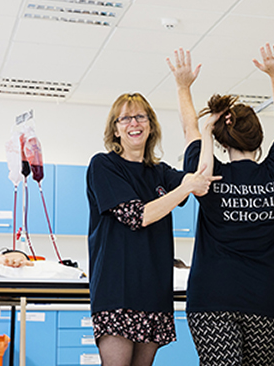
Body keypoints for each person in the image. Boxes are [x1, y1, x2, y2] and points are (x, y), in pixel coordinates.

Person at [168, 41, 274, 365]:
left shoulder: (208, 175)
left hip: (211, 300)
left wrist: (184, 87)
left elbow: (189, 130)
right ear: (258, 138)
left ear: (223, 141)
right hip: (263, 303)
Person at [87, 93, 214, 366]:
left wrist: (206, 133)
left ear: (151, 126)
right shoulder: (104, 165)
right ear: (115, 129)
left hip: (153, 292)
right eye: (125, 118)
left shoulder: (160, 172)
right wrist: (185, 187)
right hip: (116, 293)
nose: (134, 123)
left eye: (140, 116)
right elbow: (137, 216)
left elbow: (200, 177)